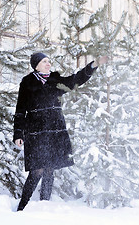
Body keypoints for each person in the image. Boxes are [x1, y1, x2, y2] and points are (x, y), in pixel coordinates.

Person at [13, 52, 108, 211]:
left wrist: (93, 65)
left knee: (50, 169)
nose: (48, 64)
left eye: (49, 61)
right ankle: (21, 207)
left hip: (54, 132)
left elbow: (75, 80)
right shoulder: (27, 83)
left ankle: (44, 206)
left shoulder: (55, 80)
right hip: (36, 133)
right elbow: (20, 110)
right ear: (36, 65)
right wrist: (18, 134)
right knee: (37, 171)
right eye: (44, 61)